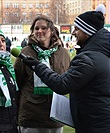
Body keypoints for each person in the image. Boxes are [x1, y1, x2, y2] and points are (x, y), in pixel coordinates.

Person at [22, 4, 110, 133]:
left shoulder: (87, 59)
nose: (73, 32)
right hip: (99, 120)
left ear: (88, 31)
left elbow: (62, 84)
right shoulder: (102, 54)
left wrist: (37, 66)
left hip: (93, 124)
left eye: (77, 29)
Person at [14, 15, 70, 133]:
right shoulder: (25, 53)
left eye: (43, 28)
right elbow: (16, 84)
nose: (39, 31)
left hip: (56, 116)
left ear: (51, 30)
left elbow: (68, 82)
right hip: (31, 116)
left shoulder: (63, 53)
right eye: (36, 28)